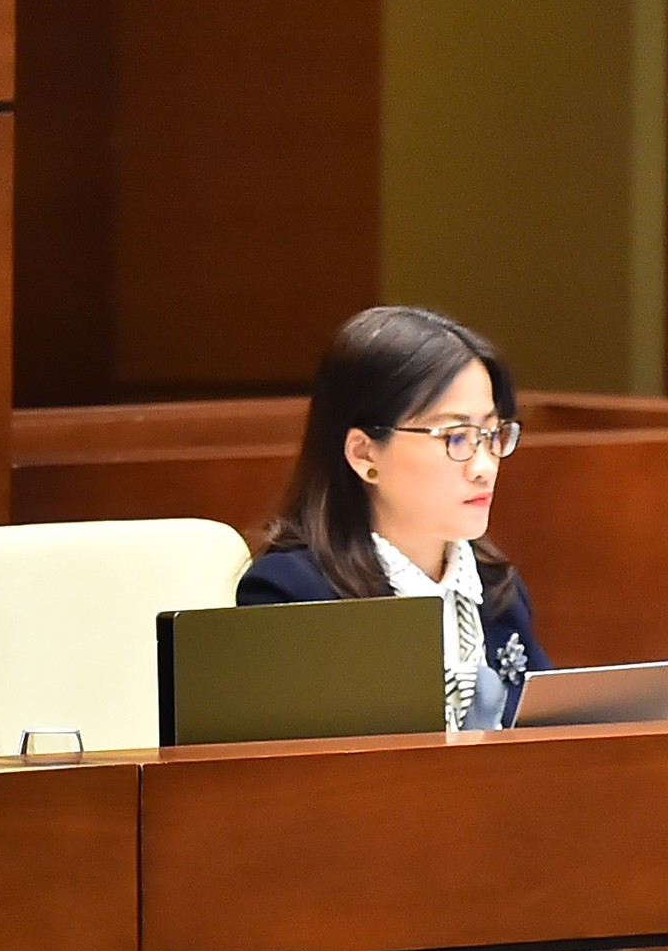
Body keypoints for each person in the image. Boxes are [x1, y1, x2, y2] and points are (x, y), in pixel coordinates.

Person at [236, 305, 550, 729]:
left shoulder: (495, 587)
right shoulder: (292, 597)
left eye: (491, 435)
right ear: (365, 454)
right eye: (456, 437)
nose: (484, 465)